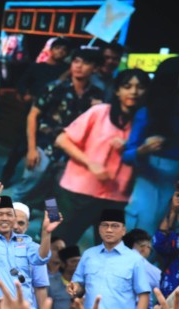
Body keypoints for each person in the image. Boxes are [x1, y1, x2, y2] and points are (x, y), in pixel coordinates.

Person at [55, 69, 150, 245]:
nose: (134, 92)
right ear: (117, 90)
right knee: (59, 240)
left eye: (140, 87)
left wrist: (135, 148)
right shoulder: (100, 112)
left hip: (117, 197)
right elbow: (61, 139)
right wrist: (91, 163)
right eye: (127, 86)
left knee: (107, 250)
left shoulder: (147, 123)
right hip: (78, 191)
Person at [13, 47, 104, 208]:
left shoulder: (97, 95)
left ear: (95, 68)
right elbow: (33, 116)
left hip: (71, 153)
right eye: (76, 61)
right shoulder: (54, 87)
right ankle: (6, 217)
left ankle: (49, 227)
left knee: (54, 193)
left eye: (86, 63)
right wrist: (32, 149)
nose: (79, 66)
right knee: (27, 185)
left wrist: (98, 109)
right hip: (45, 146)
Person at [0, 186, 59, 309]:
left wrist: (46, 233)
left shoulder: (26, 242)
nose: (5, 218)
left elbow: (41, 258)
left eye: (9, 215)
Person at [69, 208, 151, 309]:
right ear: (99, 228)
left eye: (114, 226)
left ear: (123, 230)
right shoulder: (88, 255)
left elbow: (143, 295)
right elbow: (79, 287)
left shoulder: (134, 259)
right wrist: (74, 288)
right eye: (105, 225)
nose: (109, 230)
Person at [122, 57, 179, 234]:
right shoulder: (149, 113)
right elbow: (127, 155)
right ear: (172, 77)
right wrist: (144, 150)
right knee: (144, 233)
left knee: (175, 239)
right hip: (153, 180)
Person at [0, 37, 71, 185]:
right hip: (32, 113)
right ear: (51, 51)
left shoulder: (67, 71)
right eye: (58, 48)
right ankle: (5, 178)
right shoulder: (37, 67)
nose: (61, 52)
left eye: (64, 50)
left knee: (48, 156)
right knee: (20, 147)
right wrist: (25, 95)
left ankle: (44, 195)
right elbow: (22, 84)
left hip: (53, 117)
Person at [152, 191, 179, 298]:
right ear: (178, 218)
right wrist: (173, 210)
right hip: (170, 305)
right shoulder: (174, 240)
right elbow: (159, 242)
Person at [48, 245, 80, 309]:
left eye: (79, 261)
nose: (77, 264)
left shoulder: (84, 284)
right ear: (62, 264)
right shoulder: (51, 284)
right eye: (73, 261)